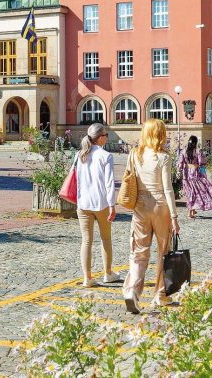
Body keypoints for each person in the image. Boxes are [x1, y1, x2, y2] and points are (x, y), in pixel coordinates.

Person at [123, 119, 179, 314]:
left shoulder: (134, 154)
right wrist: (174, 216)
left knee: (138, 251)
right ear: (160, 134)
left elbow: (128, 179)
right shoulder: (163, 157)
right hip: (160, 206)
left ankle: (132, 291)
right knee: (164, 251)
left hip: (140, 205)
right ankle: (160, 295)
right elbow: (168, 188)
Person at [75, 123, 120, 288]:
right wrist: (112, 205)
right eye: (105, 135)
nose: (107, 138)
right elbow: (109, 183)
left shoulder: (80, 155)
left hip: (83, 203)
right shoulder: (106, 155)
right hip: (101, 203)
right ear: (100, 138)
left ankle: (87, 277)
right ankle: (108, 273)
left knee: (86, 241)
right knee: (105, 239)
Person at [178, 135, 212, 219]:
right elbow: (201, 163)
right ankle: (190, 212)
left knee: (189, 193)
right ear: (196, 142)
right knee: (197, 192)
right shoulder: (198, 151)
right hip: (195, 174)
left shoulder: (183, 151)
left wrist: (180, 171)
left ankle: (192, 209)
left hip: (186, 175)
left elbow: (180, 164)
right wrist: (203, 172)